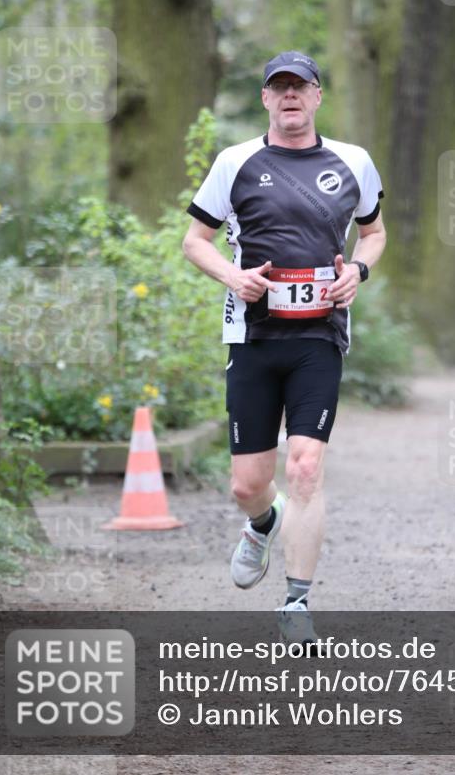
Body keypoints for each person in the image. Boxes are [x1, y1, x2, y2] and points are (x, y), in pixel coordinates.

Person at [182, 51, 386, 639]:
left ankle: (297, 605)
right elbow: (195, 240)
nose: (291, 95)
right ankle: (262, 523)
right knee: (247, 484)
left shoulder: (353, 161)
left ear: (318, 96)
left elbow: (374, 232)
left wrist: (359, 271)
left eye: (301, 86)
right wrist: (233, 277)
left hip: (319, 336)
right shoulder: (235, 161)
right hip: (252, 336)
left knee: (304, 466)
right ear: (266, 99)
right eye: (280, 87)